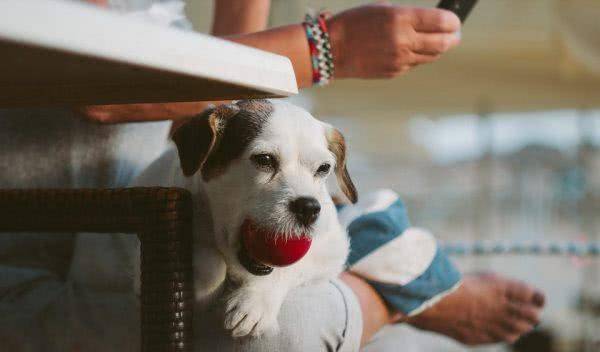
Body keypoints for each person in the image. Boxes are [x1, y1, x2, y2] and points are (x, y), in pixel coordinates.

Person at [0, 0, 544, 351]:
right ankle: (397, 287)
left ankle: (370, 253)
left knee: (269, 312)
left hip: (180, 228)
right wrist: (329, 47)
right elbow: (101, 88)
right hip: (41, 261)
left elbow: (241, 105)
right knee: (284, 333)